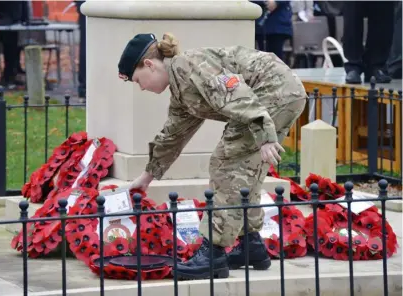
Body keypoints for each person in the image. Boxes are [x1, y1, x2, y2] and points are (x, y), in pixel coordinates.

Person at [118, 33, 307, 280]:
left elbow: (236, 93)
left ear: (150, 65)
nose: (141, 87)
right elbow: (172, 135)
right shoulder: (181, 88)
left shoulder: (189, 66)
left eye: (137, 80)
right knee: (245, 170)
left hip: (272, 92)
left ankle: (212, 254)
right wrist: (146, 177)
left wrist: (264, 134)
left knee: (225, 164)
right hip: (278, 94)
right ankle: (250, 244)